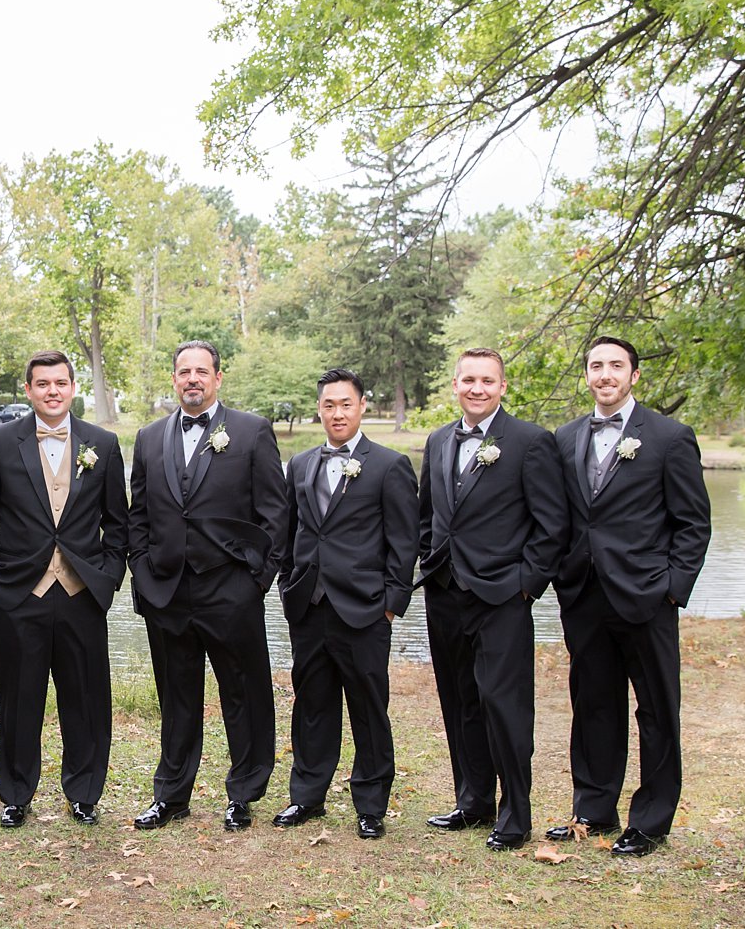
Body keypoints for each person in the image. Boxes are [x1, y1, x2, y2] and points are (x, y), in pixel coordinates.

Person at [545, 336, 711, 857]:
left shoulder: (669, 436)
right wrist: (562, 577)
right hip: (585, 595)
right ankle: (593, 809)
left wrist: (672, 590)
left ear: (634, 375)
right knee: (593, 704)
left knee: (658, 709)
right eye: (596, 365)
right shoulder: (566, 437)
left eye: (616, 366)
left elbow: (692, 524)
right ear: (587, 375)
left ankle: (652, 820)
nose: (605, 374)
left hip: (647, 596)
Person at [127, 340, 288, 832]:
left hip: (230, 589)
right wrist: (143, 568)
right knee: (176, 698)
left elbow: (275, 515)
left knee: (243, 693)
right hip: (167, 592)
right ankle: (172, 795)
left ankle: (243, 791)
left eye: (201, 371)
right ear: (173, 379)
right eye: (183, 372)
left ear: (218, 377)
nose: (192, 379)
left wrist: (254, 581)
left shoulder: (251, 431)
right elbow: (137, 514)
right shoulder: (149, 437)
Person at [0, 350, 128, 828]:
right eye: (42, 383)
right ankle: (16, 794)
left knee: (86, 699)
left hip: (82, 595)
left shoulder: (103, 443)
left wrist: (109, 577)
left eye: (60, 382)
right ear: (29, 390)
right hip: (19, 594)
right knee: (18, 699)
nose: (52, 391)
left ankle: (84, 792)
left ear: (72, 387)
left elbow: (118, 523)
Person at [417, 348, 568, 850]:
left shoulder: (529, 442)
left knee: (503, 706)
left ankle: (515, 815)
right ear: (454, 385)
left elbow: (552, 527)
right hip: (445, 593)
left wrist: (525, 585)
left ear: (503, 387)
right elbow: (428, 516)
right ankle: (473, 801)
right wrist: (430, 561)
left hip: (502, 595)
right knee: (459, 702)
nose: (477, 388)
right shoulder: (439, 440)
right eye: (468, 380)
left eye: (487, 380)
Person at [273, 369, 418, 840]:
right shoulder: (300, 464)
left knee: (369, 706)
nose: (337, 412)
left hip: (365, 608)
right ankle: (307, 796)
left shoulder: (389, 465)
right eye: (329, 405)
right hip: (310, 605)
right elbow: (290, 533)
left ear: (361, 407)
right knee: (312, 704)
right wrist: (288, 585)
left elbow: (403, 542)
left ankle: (371, 804)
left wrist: (392, 604)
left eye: (346, 404)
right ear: (320, 409)